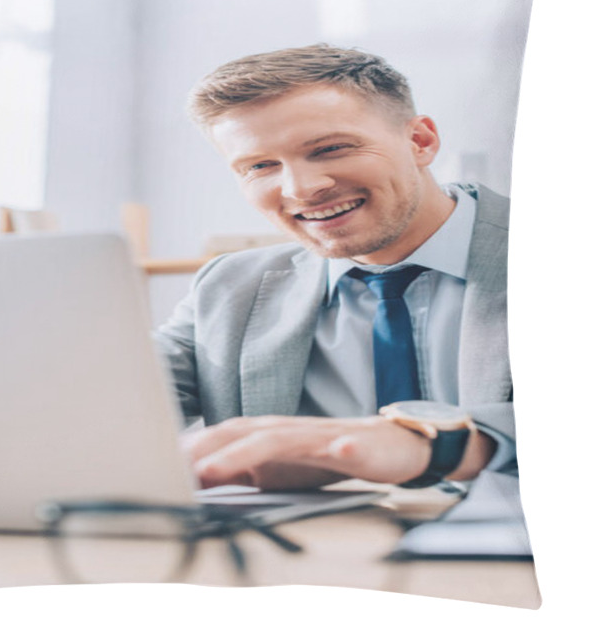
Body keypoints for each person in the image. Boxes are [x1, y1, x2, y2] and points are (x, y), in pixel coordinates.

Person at [155, 44, 516, 491]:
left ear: (420, 141)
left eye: (330, 149)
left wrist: (426, 444)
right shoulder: (230, 287)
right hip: (318, 551)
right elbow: (110, 399)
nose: (302, 189)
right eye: (260, 165)